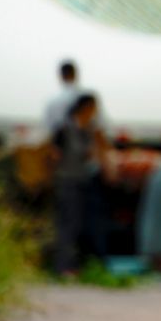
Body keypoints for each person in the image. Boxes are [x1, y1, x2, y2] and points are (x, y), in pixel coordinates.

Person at [50, 93, 109, 276]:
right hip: (67, 182)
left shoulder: (88, 130)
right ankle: (62, 267)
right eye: (93, 109)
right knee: (68, 224)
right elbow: (53, 155)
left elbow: (96, 153)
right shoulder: (65, 129)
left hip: (83, 181)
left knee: (81, 224)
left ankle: (76, 266)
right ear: (85, 108)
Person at [106, 145, 161, 272]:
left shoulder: (119, 163)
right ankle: (160, 258)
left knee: (150, 218)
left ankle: (150, 259)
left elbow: (131, 184)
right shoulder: (126, 157)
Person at [43, 59, 83, 134]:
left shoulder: (51, 102)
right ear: (75, 74)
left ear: (61, 76)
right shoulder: (87, 100)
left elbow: (48, 129)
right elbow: (98, 128)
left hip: (60, 142)